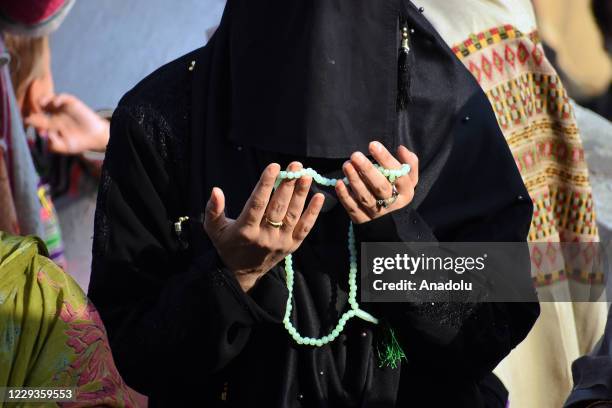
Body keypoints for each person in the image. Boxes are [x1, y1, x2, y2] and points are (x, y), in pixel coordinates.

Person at [89, 1, 540, 406]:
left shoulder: (446, 119)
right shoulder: (164, 122)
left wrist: (397, 241)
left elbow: (491, 325)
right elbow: (130, 350)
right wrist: (233, 278)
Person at [0, 0, 111, 273]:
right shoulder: (19, 165)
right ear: (33, 80)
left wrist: (100, 139)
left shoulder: (33, 154)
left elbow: (104, 182)